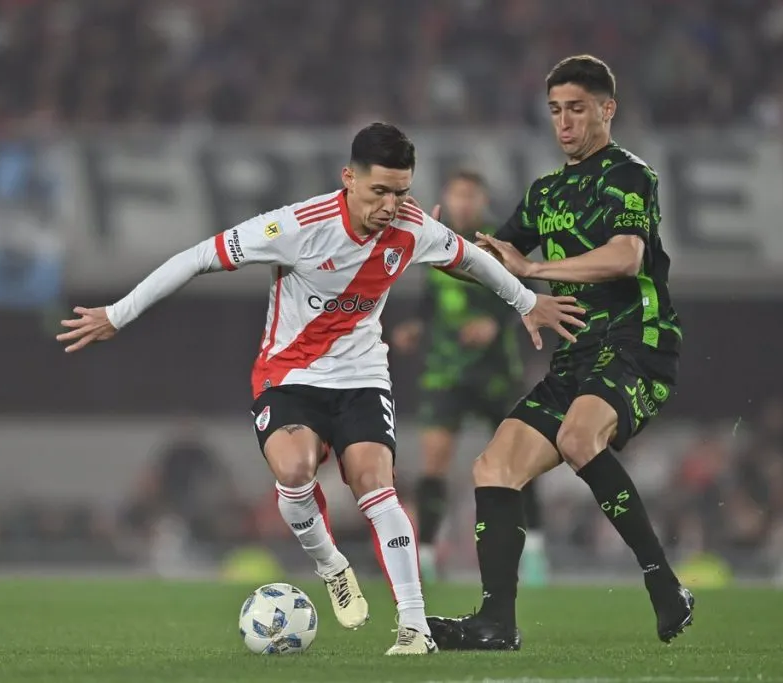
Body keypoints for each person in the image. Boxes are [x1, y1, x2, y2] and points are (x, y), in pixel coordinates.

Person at [56, 122, 585, 655]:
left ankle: (415, 626)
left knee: (375, 482)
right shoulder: (296, 226)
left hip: (361, 377)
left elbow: (469, 258)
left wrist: (527, 301)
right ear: (349, 178)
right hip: (289, 376)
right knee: (293, 469)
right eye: (379, 191)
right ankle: (332, 564)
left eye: (401, 191)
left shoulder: (411, 225)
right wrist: (118, 315)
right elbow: (197, 257)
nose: (391, 205)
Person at [425, 56, 694, 650]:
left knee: (578, 439)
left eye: (577, 108)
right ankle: (496, 622)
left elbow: (626, 257)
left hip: (637, 343)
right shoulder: (545, 192)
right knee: (492, 468)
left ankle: (662, 580)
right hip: (575, 358)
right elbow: (495, 259)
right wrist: (434, 244)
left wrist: (536, 268)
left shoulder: (629, 176)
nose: (565, 122)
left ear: (607, 109)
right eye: (555, 111)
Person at [391, 170, 548, 585]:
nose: (462, 203)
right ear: (446, 196)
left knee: (516, 461)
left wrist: (496, 324)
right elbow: (432, 297)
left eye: (470, 196)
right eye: (456, 195)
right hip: (444, 371)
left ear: (482, 200)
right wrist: (417, 325)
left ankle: (534, 552)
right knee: (434, 463)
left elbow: (523, 292)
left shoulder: (499, 241)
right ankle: (425, 556)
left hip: (495, 371)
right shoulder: (435, 237)